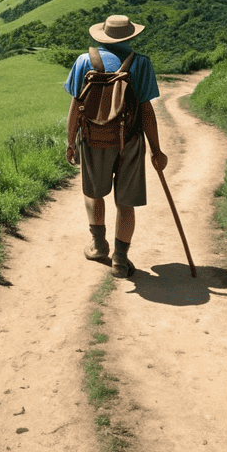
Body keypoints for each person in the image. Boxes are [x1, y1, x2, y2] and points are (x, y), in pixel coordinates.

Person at [64, 14, 167, 278]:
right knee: (125, 203)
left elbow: (76, 106)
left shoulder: (84, 61)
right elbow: (146, 111)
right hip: (129, 140)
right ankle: (120, 260)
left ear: (102, 36)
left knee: (94, 193)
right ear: (131, 36)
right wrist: (156, 150)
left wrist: (70, 142)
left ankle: (99, 246)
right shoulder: (141, 64)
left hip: (93, 139)